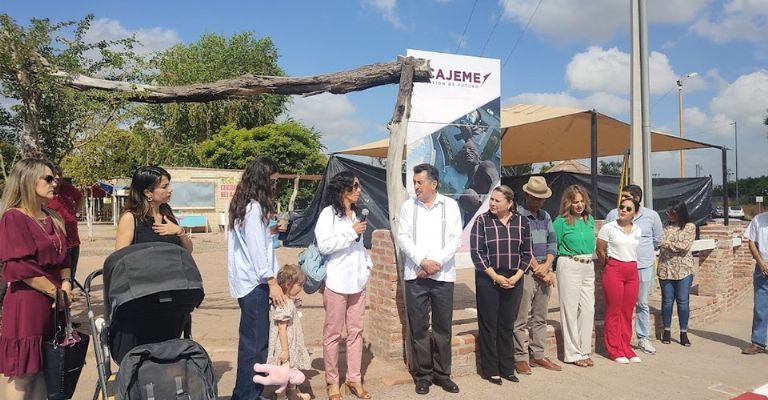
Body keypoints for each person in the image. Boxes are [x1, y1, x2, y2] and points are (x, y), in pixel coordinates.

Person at [0, 158, 74, 400]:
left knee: (46, 369)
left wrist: (66, 284)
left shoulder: (53, 217)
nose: (55, 183)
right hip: (28, 302)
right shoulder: (14, 217)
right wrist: (57, 293)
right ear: (28, 180)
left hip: (55, 303)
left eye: (55, 178)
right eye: (48, 178)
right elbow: (21, 266)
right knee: (23, 372)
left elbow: (65, 259)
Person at [397, 163, 463, 395]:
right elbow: (403, 238)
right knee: (419, 328)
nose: (415, 187)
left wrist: (434, 264)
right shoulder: (408, 207)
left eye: (419, 182)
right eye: (414, 182)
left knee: (443, 328)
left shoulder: (450, 206)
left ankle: (443, 374)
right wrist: (422, 262)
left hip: (443, 276)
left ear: (433, 184)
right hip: (415, 275)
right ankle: (423, 375)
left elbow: (455, 240)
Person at [227, 157, 287, 400]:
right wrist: (272, 282)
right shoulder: (253, 209)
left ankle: (249, 393)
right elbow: (255, 250)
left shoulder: (245, 205)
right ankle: (247, 396)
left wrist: (270, 231)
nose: (273, 186)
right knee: (254, 346)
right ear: (262, 181)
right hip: (255, 284)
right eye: (271, 182)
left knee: (254, 343)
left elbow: (254, 241)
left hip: (249, 282)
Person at [314, 171, 372, 400]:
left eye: (359, 186)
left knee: (356, 333)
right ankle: (332, 382)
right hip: (336, 282)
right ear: (343, 189)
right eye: (355, 186)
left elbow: (360, 247)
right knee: (333, 334)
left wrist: (368, 265)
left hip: (357, 282)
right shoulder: (328, 214)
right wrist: (351, 232)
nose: (359, 190)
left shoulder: (357, 214)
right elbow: (324, 246)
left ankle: (354, 379)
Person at [471, 185, 532, 385]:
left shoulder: (522, 222)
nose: (493, 203)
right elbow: (477, 253)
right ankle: (491, 370)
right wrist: (495, 277)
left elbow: (527, 253)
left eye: (497, 200)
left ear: (509, 203)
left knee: (507, 324)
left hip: (514, 277)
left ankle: (507, 368)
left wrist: (517, 276)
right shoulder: (482, 221)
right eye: (492, 200)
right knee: (489, 325)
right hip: (488, 277)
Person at [604, 184, 662, 354]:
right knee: (617, 306)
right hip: (618, 266)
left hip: (642, 266)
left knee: (642, 303)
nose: (622, 200)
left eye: (626, 196)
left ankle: (643, 338)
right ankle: (619, 342)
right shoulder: (613, 215)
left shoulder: (652, 216)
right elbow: (604, 239)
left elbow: (657, 239)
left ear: (636, 199)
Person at [513, 176, 560, 375]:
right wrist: (538, 268)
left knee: (540, 316)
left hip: (543, 268)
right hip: (525, 270)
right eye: (536, 197)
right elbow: (522, 245)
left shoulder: (545, 216)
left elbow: (552, 243)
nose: (540, 201)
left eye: (542, 198)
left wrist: (547, 265)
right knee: (521, 317)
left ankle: (538, 354)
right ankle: (519, 357)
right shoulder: (518, 215)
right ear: (527, 195)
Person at [552, 185, 596, 368]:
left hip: (588, 266)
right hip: (569, 263)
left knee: (588, 309)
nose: (579, 205)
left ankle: (584, 349)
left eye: (581, 201)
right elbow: (553, 246)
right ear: (568, 203)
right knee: (569, 310)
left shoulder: (589, 220)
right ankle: (572, 353)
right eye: (575, 202)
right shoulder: (561, 222)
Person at [597, 197, 643, 364]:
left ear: (635, 213)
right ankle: (614, 349)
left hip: (632, 271)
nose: (623, 210)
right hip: (614, 269)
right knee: (614, 310)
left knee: (627, 311)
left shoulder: (638, 230)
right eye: (621, 207)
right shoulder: (609, 228)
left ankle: (626, 346)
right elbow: (600, 249)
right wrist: (609, 266)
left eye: (628, 209)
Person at [114, 166, 193, 253]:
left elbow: (188, 250)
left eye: (169, 185)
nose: (170, 190)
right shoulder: (130, 218)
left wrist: (180, 231)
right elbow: (119, 257)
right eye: (164, 187)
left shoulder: (166, 212)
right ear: (148, 193)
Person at [266, 264, 311, 400]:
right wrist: (285, 350)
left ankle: (292, 392)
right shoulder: (284, 303)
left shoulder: (287, 301)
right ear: (287, 284)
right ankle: (282, 395)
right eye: (299, 285)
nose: (301, 289)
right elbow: (282, 327)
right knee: (285, 372)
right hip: (285, 344)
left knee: (290, 369)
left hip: (290, 342)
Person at [657, 200, 696, 347]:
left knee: (683, 301)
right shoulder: (665, 225)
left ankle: (683, 332)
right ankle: (666, 331)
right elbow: (658, 240)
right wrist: (666, 244)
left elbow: (684, 246)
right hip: (666, 268)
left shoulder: (689, 227)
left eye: (672, 213)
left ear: (679, 212)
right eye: (668, 212)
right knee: (667, 301)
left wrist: (667, 244)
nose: (669, 215)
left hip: (683, 269)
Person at [47, 165, 83, 283]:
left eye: (60, 175)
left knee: (71, 272)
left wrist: (77, 213)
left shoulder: (68, 189)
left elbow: (80, 198)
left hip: (73, 238)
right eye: (55, 175)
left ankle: (69, 290)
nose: (58, 178)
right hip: (56, 239)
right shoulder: (45, 192)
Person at [741, 210, 768, 355]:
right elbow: (751, 242)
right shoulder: (759, 220)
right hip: (762, 268)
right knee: (760, 308)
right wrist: (761, 262)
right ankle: (758, 342)